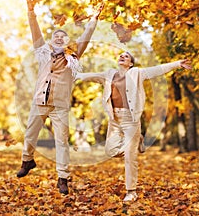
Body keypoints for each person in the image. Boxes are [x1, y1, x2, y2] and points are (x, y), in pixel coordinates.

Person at [17, 0, 103, 195]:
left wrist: (94, 18)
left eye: (63, 37)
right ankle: (27, 161)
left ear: (67, 42)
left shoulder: (73, 56)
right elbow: (35, 32)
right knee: (30, 134)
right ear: (52, 40)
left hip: (60, 106)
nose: (59, 37)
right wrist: (31, 11)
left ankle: (62, 177)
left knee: (62, 141)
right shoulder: (43, 53)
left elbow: (87, 36)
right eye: (56, 35)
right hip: (40, 101)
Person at [76, 52, 191, 201]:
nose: (122, 56)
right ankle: (138, 139)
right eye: (121, 55)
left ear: (130, 63)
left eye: (126, 56)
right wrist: (74, 76)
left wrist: (177, 64)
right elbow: (90, 76)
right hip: (115, 119)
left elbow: (157, 69)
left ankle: (131, 191)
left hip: (131, 120)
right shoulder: (109, 74)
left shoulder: (137, 73)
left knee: (130, 156)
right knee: (110, 150)